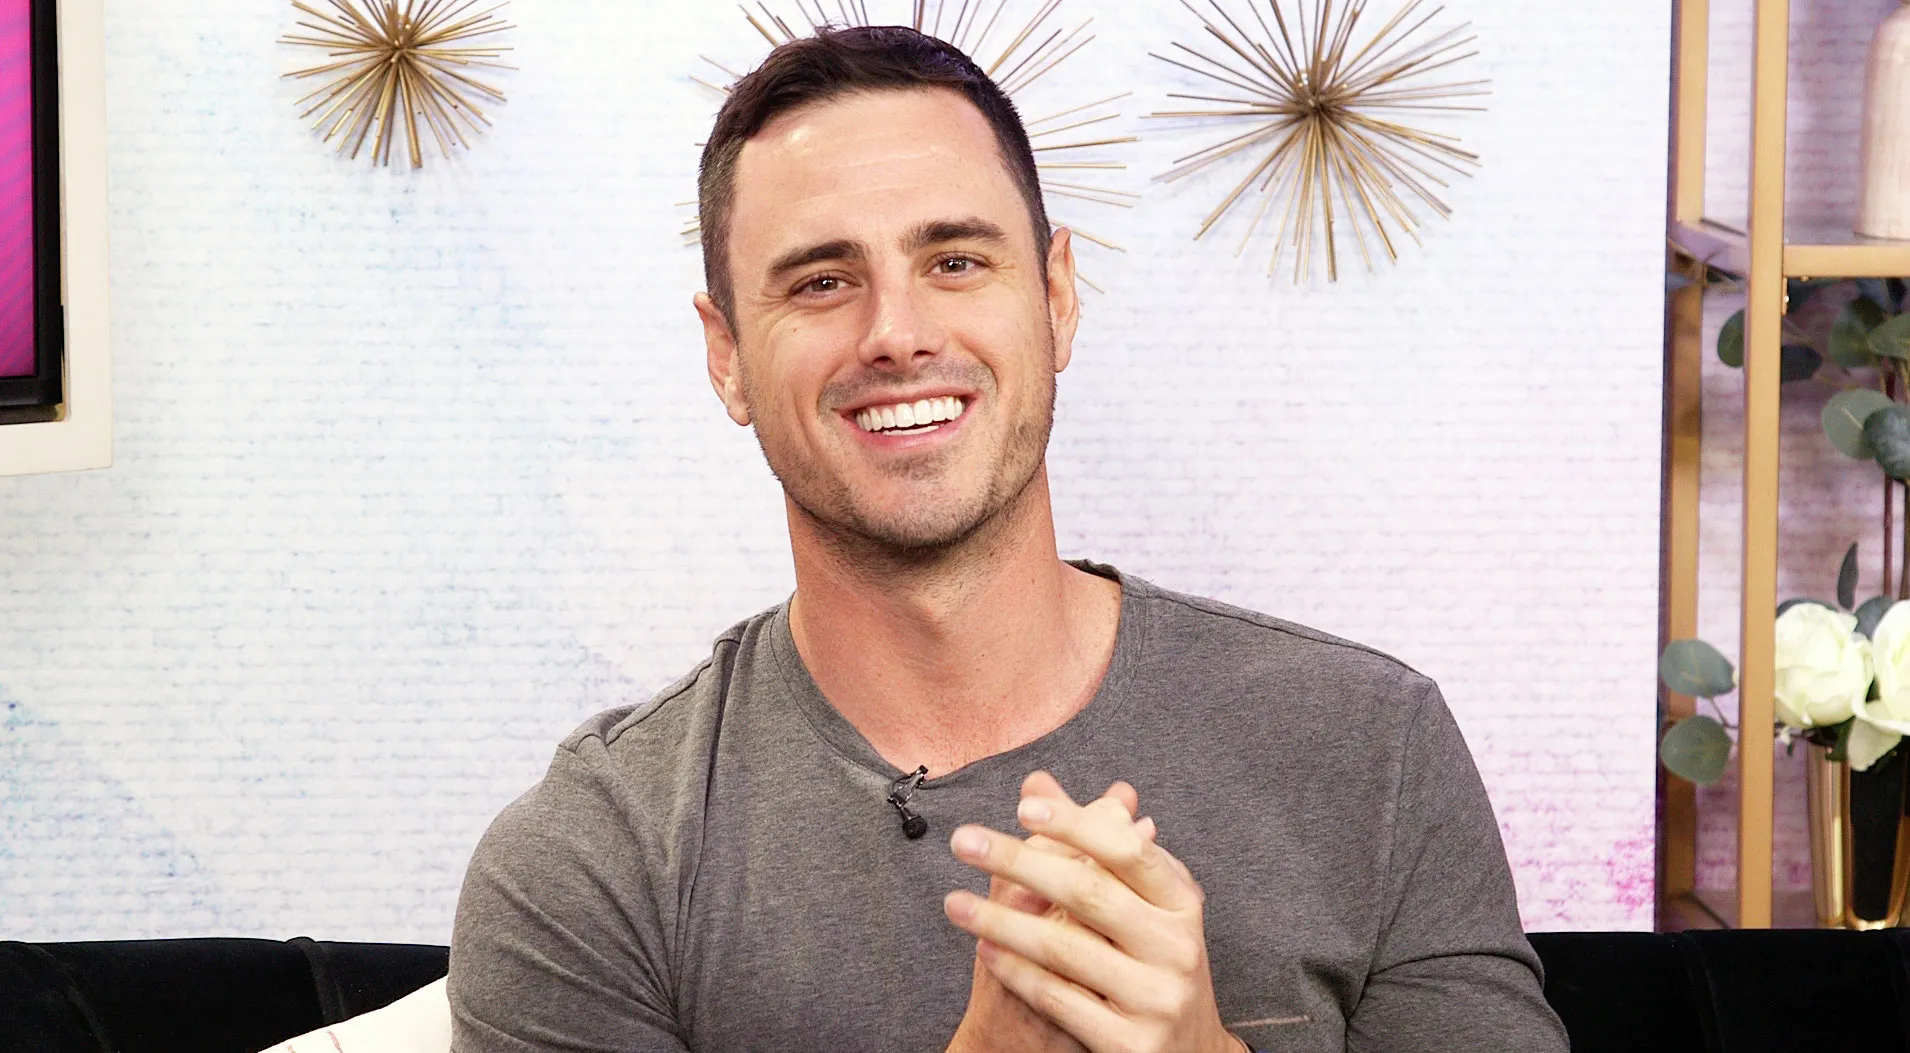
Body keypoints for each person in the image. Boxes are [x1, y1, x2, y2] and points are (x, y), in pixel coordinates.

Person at [447, 25, 1568, 1053]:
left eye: (955, 261)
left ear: (1057, 297)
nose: (896, 334)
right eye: (822, 281)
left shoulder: (1371, 748)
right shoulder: (592, 857)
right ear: (727, 356)